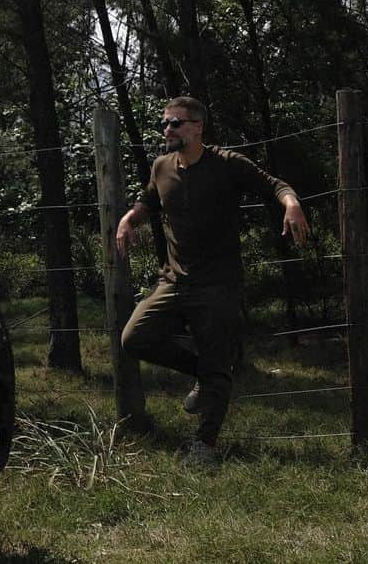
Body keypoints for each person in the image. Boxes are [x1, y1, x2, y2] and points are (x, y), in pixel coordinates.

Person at [115, 95, 309, 467]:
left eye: (175, 123)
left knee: (218, 360)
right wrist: (129, 219)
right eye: (164, 123)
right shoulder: (161, 166)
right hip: (173, 281)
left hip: (217, 284)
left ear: (198, 127)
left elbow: (274, 185)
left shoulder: (226, 163)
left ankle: (205, 445)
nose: (167, 130)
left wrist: (291, 204)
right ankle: (204, 375)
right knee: (134, 338)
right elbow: (149, 201)